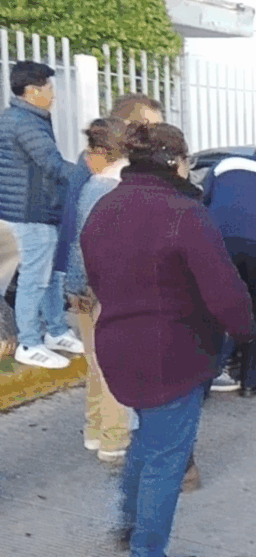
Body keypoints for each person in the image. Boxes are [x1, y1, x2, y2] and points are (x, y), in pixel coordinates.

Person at [80, 122, 255, 557]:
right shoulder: (184, 213)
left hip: (118, 346)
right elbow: (224, 289)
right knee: (166, 459)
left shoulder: (105, 207)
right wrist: (246, 331)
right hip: (172, 353)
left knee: (148, 438)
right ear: (177, 162)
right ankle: (146, 548)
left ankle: (127, 522)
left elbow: (96, 278)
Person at [52, 94, 165, 339]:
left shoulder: (134, 171)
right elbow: (79, 229)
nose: (157, 135)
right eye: (150, 127)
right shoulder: (97, 175)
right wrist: (75, 285)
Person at [0, 61, 85, 369]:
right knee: (35, 280)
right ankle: (30, 342)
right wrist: (90, 175)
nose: (54, 94)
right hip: (29, 213)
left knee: (49, 277)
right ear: (32, 90)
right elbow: (51, 165)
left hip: (36, 210)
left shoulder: (28, 118)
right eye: (50, 88)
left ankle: (56, 331)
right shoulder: (23, 122)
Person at [64, 118, 131, 464]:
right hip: (124, 287)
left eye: (90, 151)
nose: (87, 158)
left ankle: (101, 433)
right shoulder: (132, 185)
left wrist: (74, 286)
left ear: (102, 152)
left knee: (97, 363)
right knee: (114, 364)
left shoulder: (97, 186)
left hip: (94, 285)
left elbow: (81, 244)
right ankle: (113, 438)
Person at [207, 139, 256, 396]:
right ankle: (252, 382)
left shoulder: (225, 164)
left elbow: (203, 197)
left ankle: (206, 380)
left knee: (218, 310)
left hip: (218, 243)